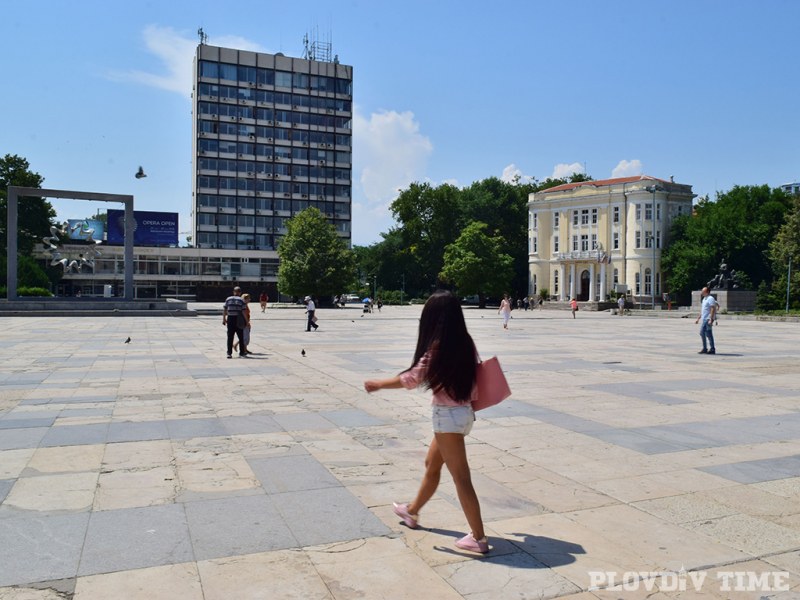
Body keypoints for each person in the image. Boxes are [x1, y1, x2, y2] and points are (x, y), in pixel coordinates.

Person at [363, 291, 489, 554]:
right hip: (463, 415)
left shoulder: (438, 348)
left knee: (461, 478)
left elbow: (412, 379)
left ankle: (478, 538)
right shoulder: (466, 342)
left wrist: (378, 384)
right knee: (432, 464)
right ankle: (412, 511)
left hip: (448, 418)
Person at [223, 286, 247, 358]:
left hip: (230, 319)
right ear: (240, 293)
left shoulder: (228, 299)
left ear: (234, 292)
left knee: (230, 337)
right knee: (241, 336)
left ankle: (229, 353)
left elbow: (225, 310)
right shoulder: (241, 300)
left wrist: (224, 319)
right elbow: (243, 312)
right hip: (238, 319)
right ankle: (241, 353)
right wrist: (247, 321)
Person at [695, 287, 718, 354]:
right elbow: (703, 310)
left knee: (702, 332)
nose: (701, 292)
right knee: (708, 333)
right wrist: (698, 318)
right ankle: (710, 348)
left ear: (707, 292)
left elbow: (712, 308)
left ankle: (708, 348)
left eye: (703, 291)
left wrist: (711, 319)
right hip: (704, 318)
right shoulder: (704, 299)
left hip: (708, 319)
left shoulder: (710, 298)